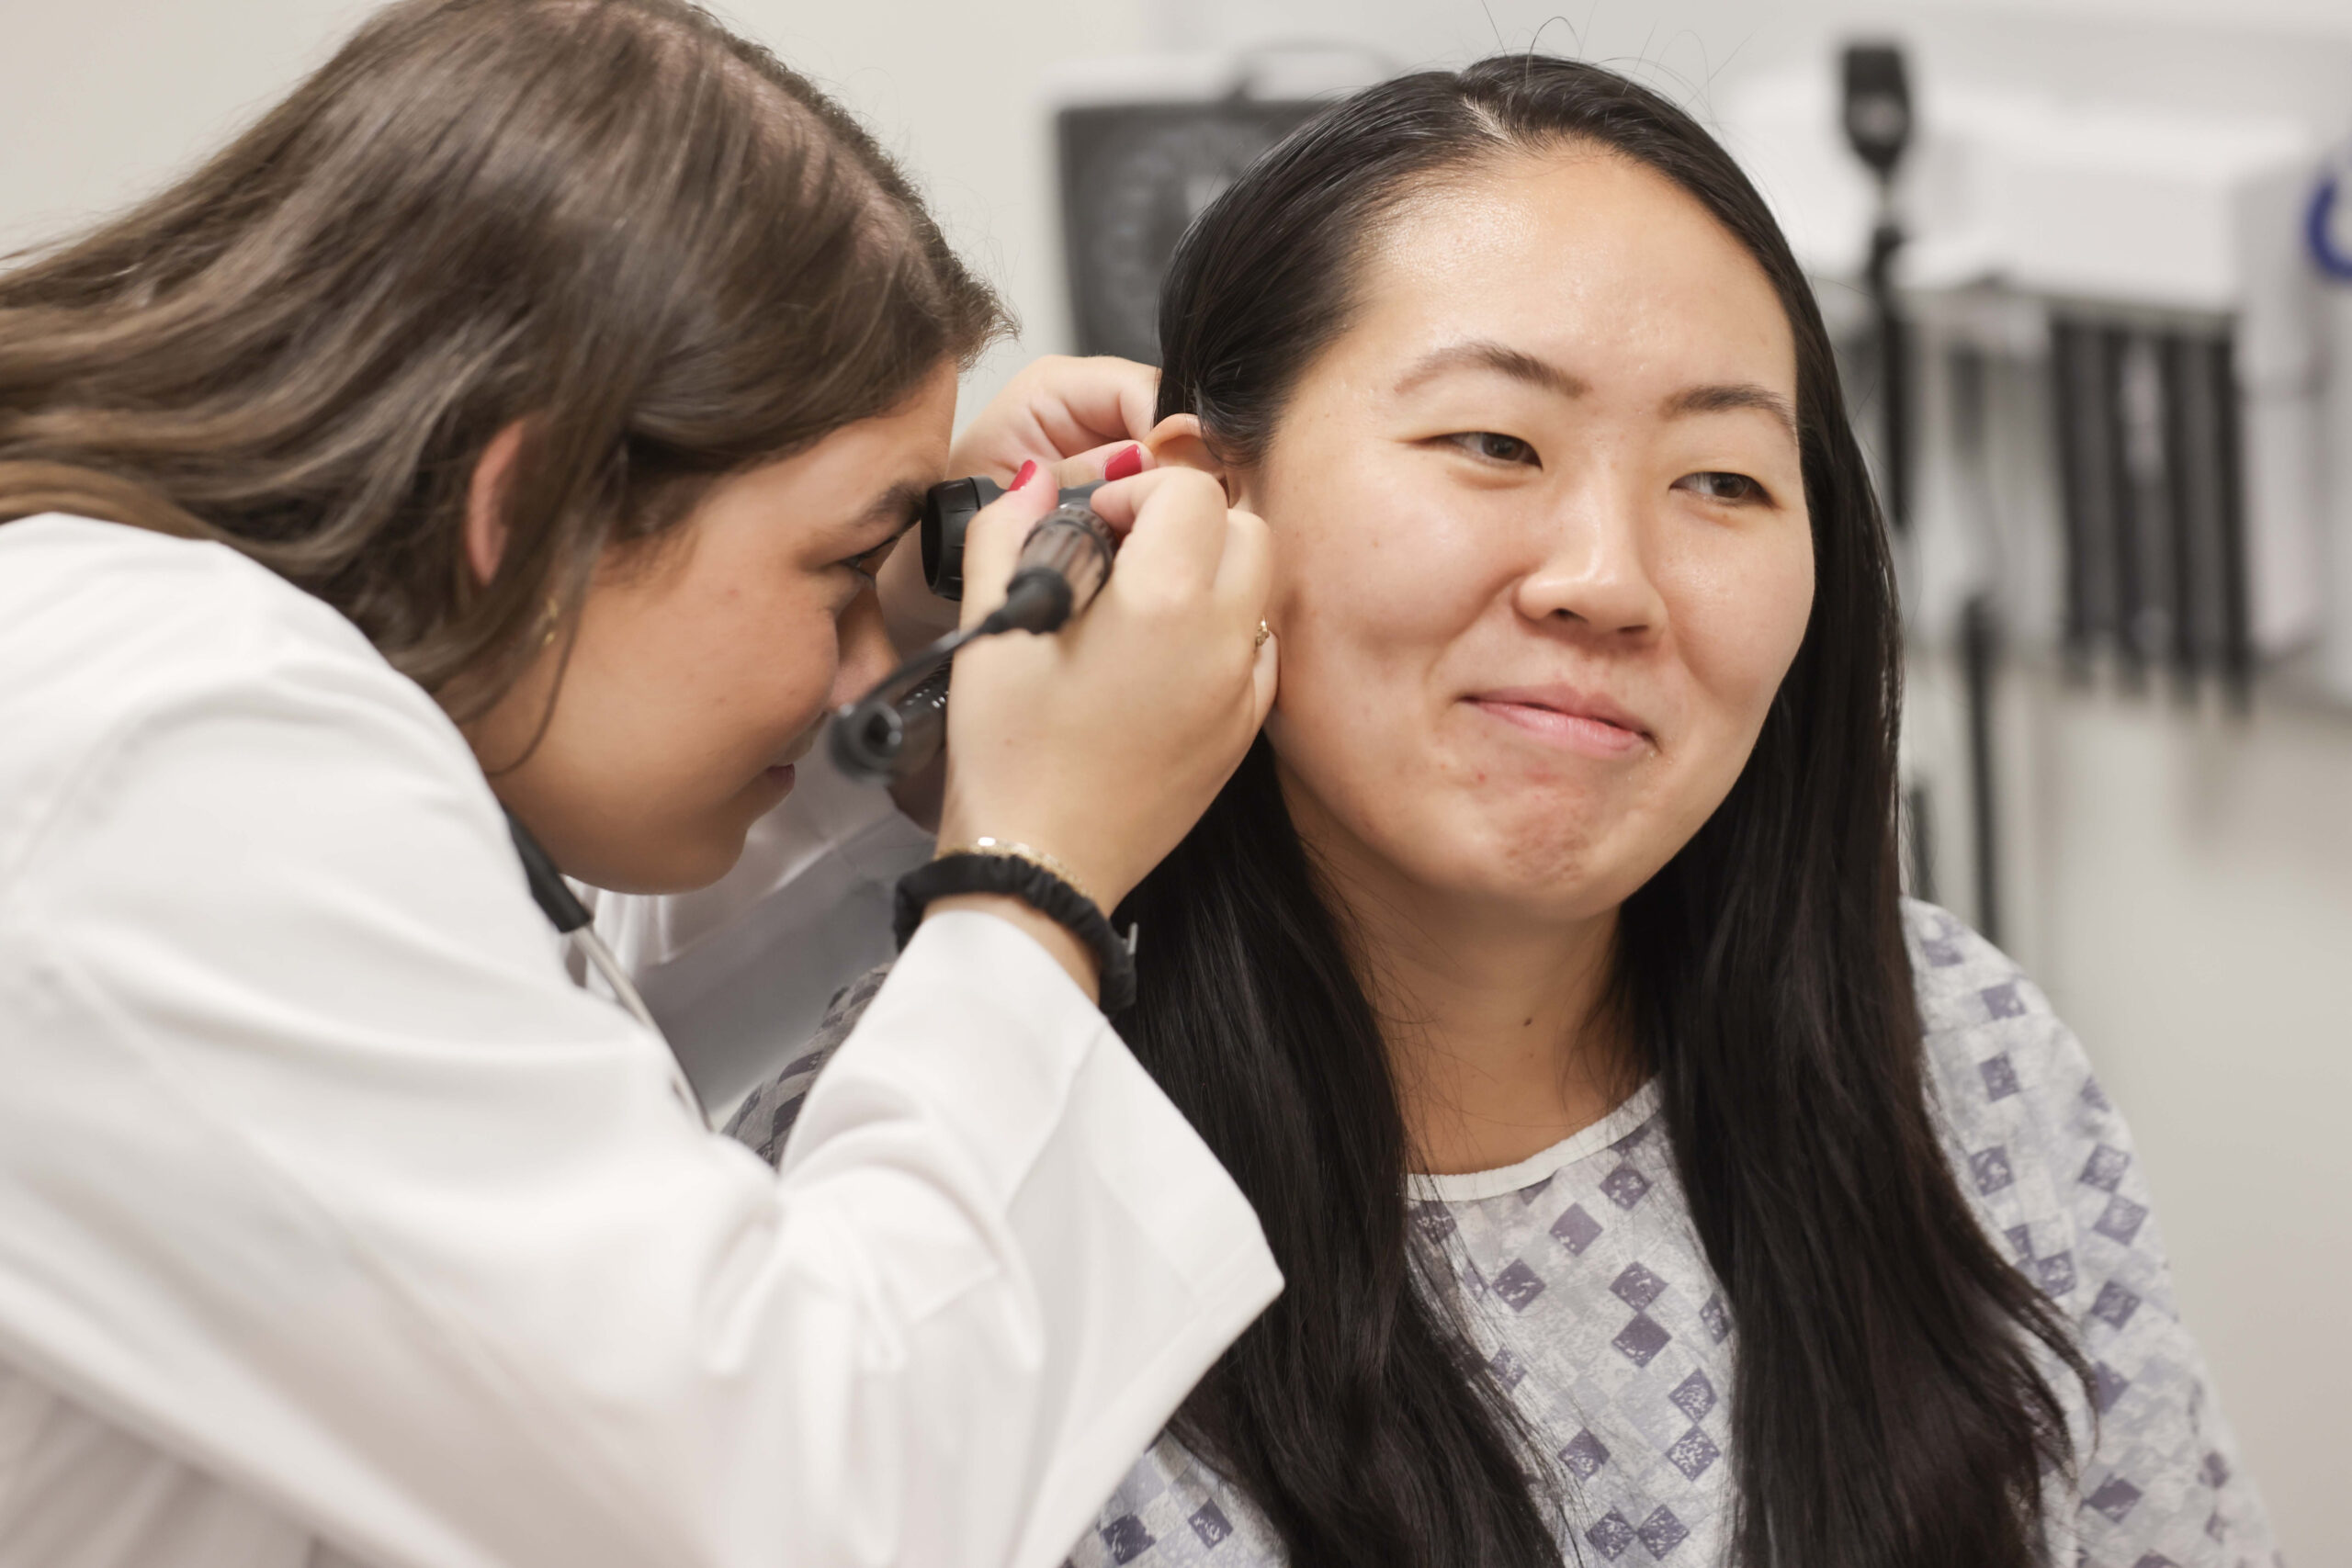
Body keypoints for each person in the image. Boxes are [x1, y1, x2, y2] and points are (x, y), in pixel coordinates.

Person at [724, 57, 2279, 1568]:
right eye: (1493, 443)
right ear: (1205, 504)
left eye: (1724, 481)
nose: (1607, 579)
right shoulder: (910, 1180)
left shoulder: (1959, 1054)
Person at [0, 3, 1283, 1566]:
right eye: (833, 569)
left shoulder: (171, 697)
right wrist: (1037, 865)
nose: (845, 666)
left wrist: (906, 644)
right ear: (528, 500)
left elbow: (510, 1053)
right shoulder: (164, 756)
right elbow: (800, 1505)